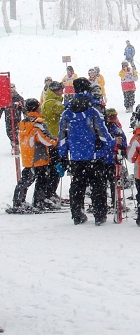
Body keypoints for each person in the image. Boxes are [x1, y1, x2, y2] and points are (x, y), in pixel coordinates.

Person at [57, 77, 115, 226]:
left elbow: (62, 137)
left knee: (77, 185)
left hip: (76, 156)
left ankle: (77, 214)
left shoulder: (67, 112)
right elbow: (102, 133)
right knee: (98, 186)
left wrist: (63, 154)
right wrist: (112, 144)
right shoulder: (93, 109)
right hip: (95, 155)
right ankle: (99, 215)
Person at [10, 99, 58, 212]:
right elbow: (44, 138)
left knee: (25, 180)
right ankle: (39, 200)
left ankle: (18, 200)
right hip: (39, 156)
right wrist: (55, 142)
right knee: (42, 180)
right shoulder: (38, 123)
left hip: (28, 156)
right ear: (37, 108)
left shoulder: (23, 123)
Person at [41, 81, 65, 203]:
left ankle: (50, 192)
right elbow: (65, 110)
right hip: (53, 139)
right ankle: (49, 192)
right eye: (60, 90)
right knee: (55, 167)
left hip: (52, 138)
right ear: (55, 91)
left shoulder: (49, 101)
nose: (62, 92)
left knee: (53, 167)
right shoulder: (53, 103)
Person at [0, 83, 25, 150]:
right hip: (8, 119)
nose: (11, 89)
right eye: (10, 88)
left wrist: (26, 117)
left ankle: (16, 146)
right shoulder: (5, 98)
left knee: (16, 133)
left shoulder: (19, 98)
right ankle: (13, 144)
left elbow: (24, 109)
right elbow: (1, 108)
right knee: (9, 132)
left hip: (17, 119)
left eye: (12, 87)